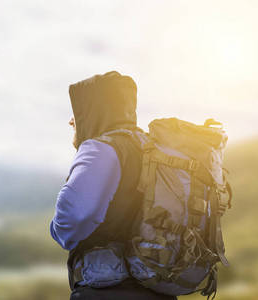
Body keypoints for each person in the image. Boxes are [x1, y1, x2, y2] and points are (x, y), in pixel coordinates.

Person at [50, 71, 176, 300]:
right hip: (156, 289)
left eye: (77, 113)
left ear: (93, 113)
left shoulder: (100, 149)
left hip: (108, 290)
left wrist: (56, 229)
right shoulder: (151, 149)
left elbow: (73, 219)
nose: (71, 121)